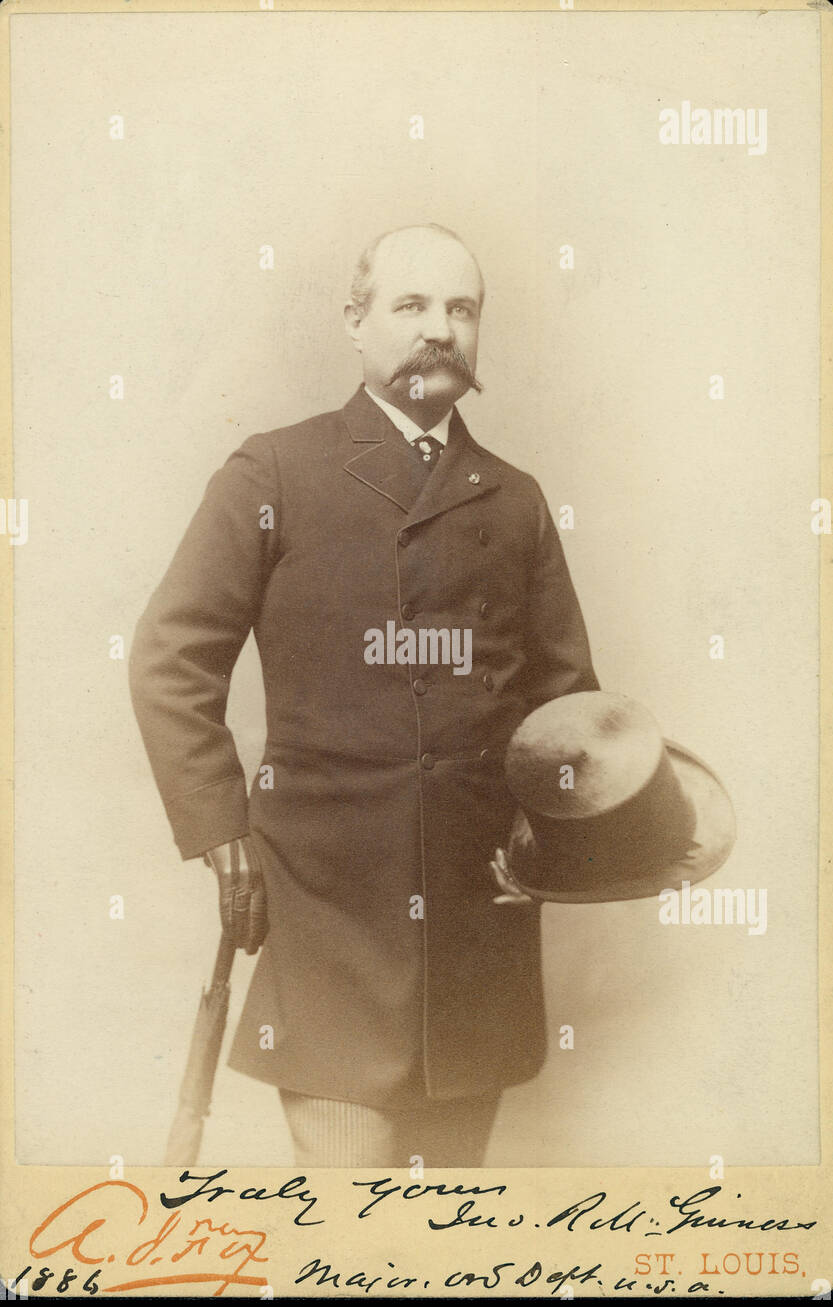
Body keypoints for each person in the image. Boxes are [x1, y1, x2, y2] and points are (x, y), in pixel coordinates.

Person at [129, 222, 599, 1167]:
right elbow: (170, 658)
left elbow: (566, 707)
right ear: (355, 322)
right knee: (353, 1230)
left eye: (460, 310)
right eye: (411, 305)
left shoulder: (512, 498)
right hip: (328, 907)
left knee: (443, 1231)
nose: (439, 330)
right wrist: (223, 833)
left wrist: (577, 842)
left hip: (480, 913)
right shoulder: (275, 472)